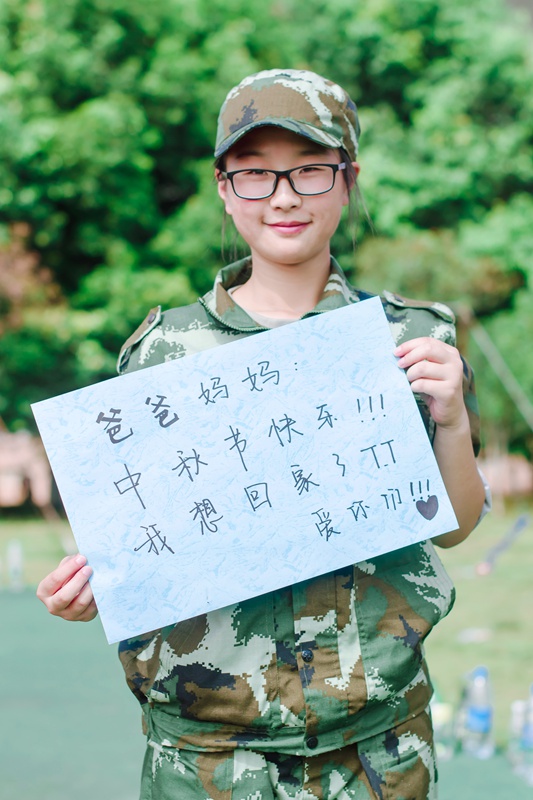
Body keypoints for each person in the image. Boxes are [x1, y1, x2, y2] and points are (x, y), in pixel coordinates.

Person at [37, 69, 488, 800]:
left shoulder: (407, 338)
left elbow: (456, 525)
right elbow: (145, 533)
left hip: (374, 747)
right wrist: (93, 584)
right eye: (254, 173)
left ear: (348, 181)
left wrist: (453, 419)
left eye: (309, 170)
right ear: (223, 188)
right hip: (205, 753)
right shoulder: (163, 355)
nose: (282, 196)